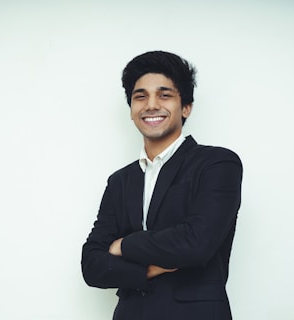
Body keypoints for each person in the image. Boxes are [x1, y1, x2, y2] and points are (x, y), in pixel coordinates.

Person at [81, 51, 243, 320]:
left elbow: (195, 244)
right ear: (132, 109)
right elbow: (92, 265)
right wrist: (147, 270)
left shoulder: (217, 164)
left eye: (164, 95)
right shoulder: (120, 181)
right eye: (140, 96)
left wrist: (122, 246)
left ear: (186, 107)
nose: (151, 105)